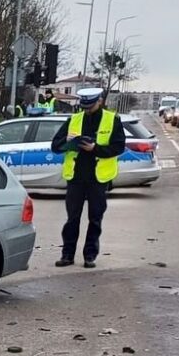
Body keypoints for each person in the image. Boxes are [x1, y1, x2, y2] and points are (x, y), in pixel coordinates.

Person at [50, 87, 126, 268]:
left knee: (95, 218)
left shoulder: (112, 120)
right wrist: (69, 143)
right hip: (76, 177)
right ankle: (67, 255)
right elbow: (55, 146)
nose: (86, 110)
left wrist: (96, 149)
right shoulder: (73, 120)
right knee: (72, 219)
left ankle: (89, 255)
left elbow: (118, 147)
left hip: (98, 179)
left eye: (90, 106)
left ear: (99, 101)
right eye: (84, 106)